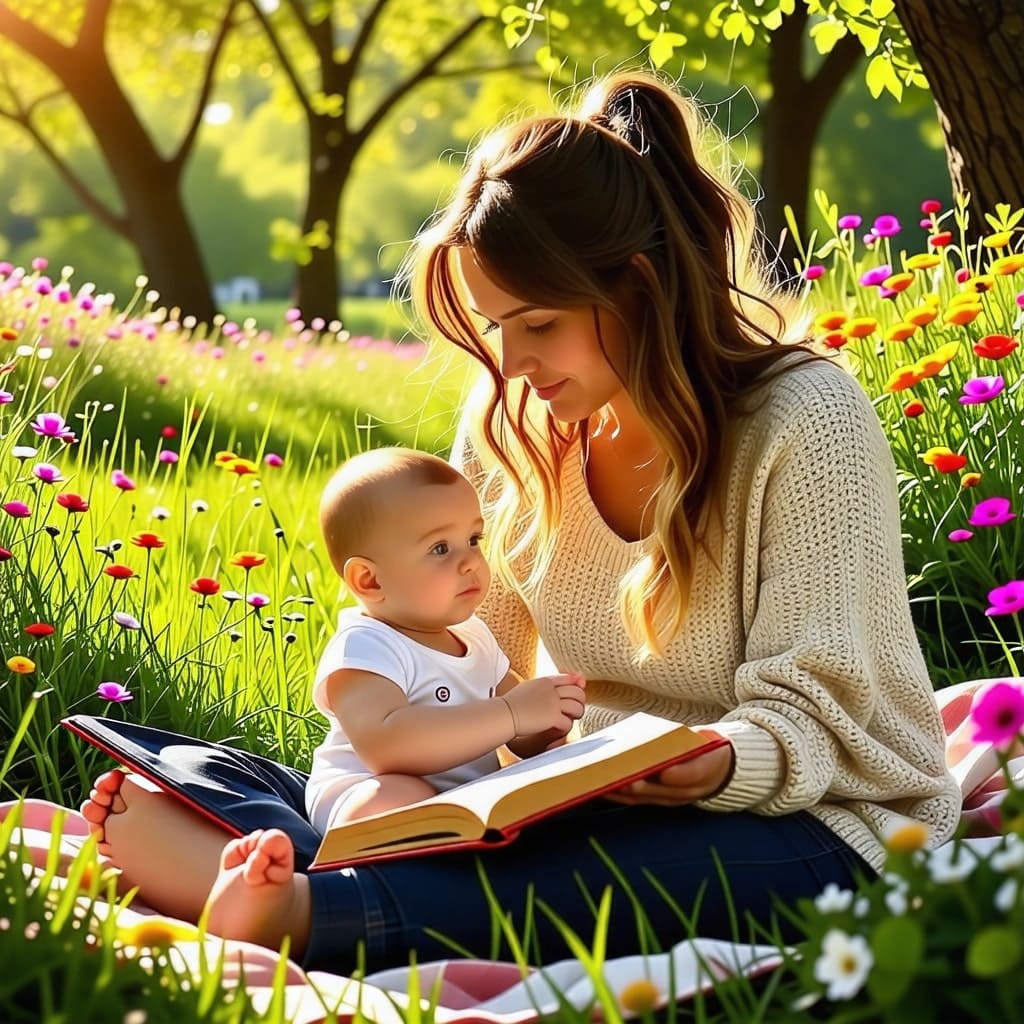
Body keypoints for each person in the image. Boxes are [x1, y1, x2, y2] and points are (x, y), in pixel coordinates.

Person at [80, 68, 961, 973]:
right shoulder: (517, 430)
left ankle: (299, 904)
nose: (511, 362)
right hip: (590, 797)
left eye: (536, 322)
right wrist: (456, 761)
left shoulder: (804, 421)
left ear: (640, 285)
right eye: (497, 325)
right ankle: (276, 844)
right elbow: (455, 666)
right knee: (348, 790)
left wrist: (718, 764)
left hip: (818, 821)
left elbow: (823, 712)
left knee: (601, 873)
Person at [305, 446, 585, 832]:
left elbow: (518, 735)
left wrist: (545, 720)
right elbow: (386, 747)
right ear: (370, 580)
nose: (470, 560)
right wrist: (512, 713)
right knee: (391, 798)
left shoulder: (475, 637)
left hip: (463, 803)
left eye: (473, 539)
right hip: (368, 793)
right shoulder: (366, 647)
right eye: (440, 548)